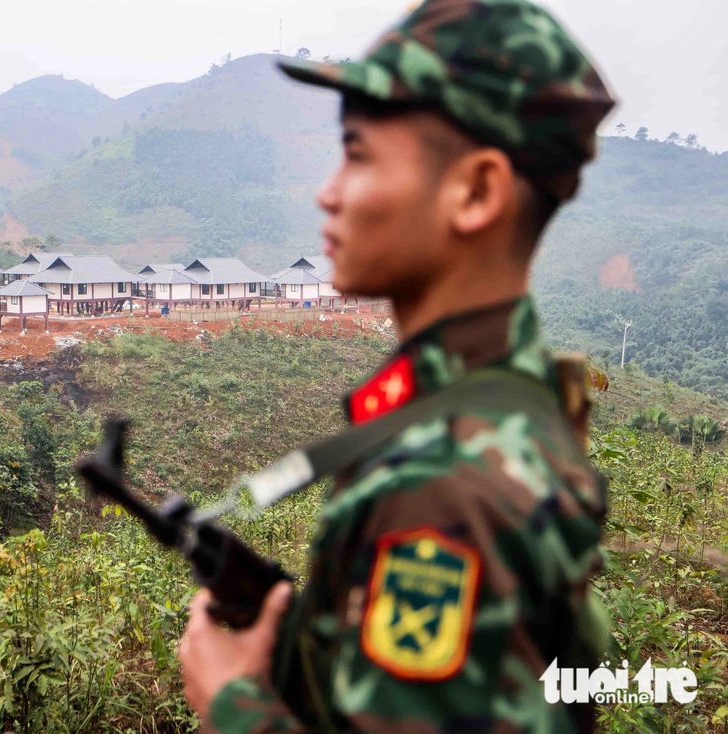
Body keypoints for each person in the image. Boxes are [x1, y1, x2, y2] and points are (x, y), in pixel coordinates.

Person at [177, 0, 617, 732]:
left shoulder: (442, 484)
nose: (329, 192)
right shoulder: (515, 407)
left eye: (357, 153)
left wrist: (235, 703)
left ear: (475, 193)